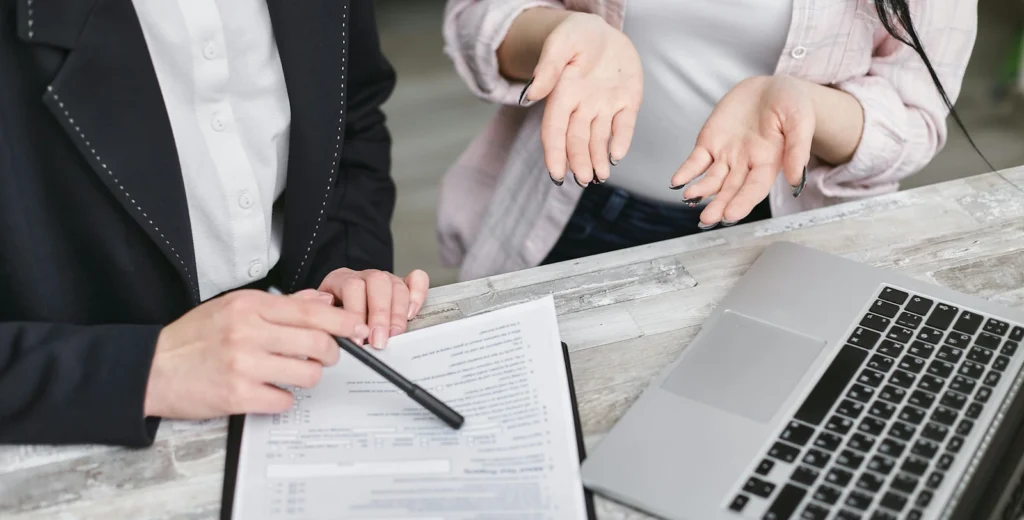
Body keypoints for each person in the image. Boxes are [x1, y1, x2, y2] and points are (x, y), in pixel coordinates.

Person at [0, 0, 428, 446]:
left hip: (309, 390)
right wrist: (143, 369)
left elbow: (351, 111)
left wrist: (344, 263)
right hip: (88, 441)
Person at [438, 0, 978, 280]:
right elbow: (477, 18)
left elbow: (915, 119)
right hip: (575, 207)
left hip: (785, 234)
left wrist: (804, 106)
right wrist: (560, 35)